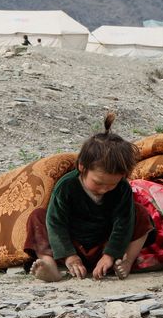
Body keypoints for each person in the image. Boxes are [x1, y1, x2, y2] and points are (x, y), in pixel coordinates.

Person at [26, 112, 155, 282]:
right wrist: (70, 256)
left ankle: (126, 262)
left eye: (111, 184)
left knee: (139, 213)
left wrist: (110, 255)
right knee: (38, 217)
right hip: (71, 245)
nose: (104, 189)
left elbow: (123, 223)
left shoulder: (122, 189)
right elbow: (56, 223)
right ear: (82, 167)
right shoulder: (66, 186)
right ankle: (49, 265)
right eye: (98, 182)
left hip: (104, 245)